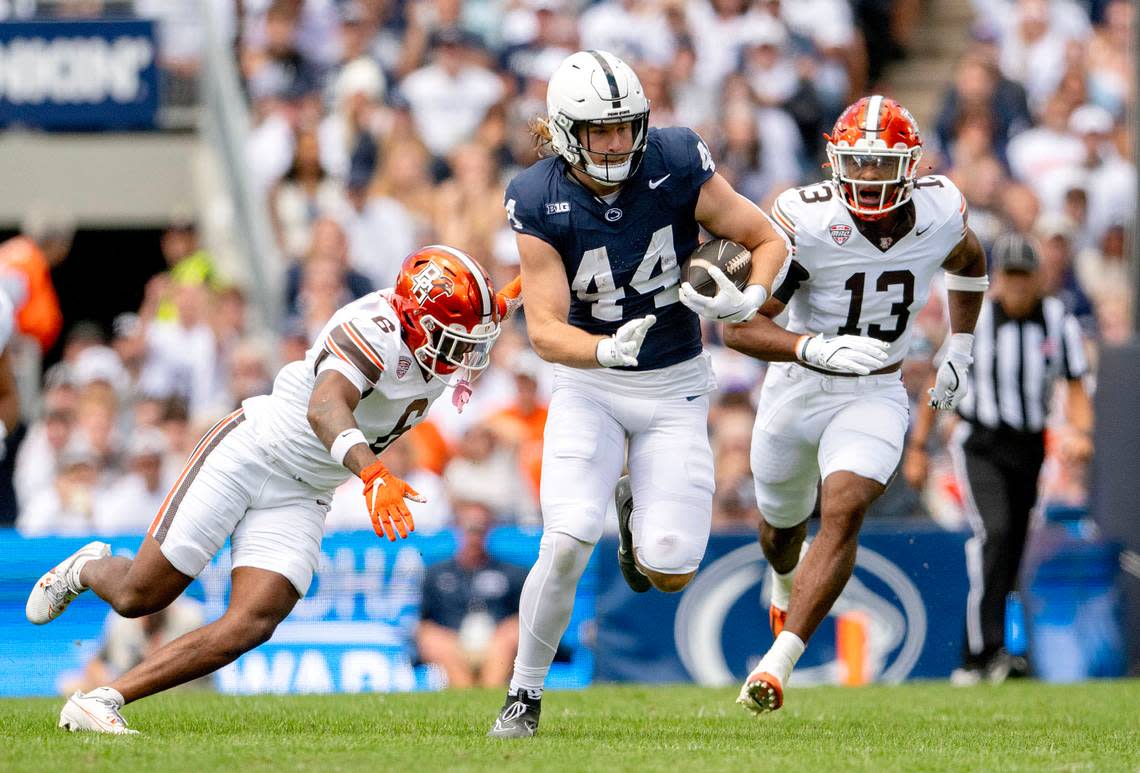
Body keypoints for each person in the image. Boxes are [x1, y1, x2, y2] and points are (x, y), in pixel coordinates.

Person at [25, 246, 510, 734]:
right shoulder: (371, 329)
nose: (465, 354)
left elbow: (503, 301)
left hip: (306, 491)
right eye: (454, 340)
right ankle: (87, 567)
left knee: (252, 621)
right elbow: (325, 408)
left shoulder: (437, 325)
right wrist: (373, 473)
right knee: (138, 596)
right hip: (253, 451)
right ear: (418, 320)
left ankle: (103, 700)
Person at [488, 49, 789, 738]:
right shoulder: (538, 197)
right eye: (601, 130)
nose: (618, 142)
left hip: (675, 382)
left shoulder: (676, 160)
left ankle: (635, 518)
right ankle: (523, 694)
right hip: (589, 382)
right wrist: (601, 349)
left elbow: (764, 237)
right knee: (563, 539)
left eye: (626, 126)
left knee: (673, 566)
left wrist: (749, 294)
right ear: (567, 132)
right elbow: (542, 330)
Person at [720, 96, 989, 715]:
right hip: (797, 386)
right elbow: (741, 327)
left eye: (880, 165)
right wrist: (813, 347)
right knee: (779, 530)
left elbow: (970, 260)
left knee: (842, 507)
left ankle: (777, 664)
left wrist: (962, 344)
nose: (868, 178)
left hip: (877, 389)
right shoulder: (805, 221)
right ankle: (783, 579)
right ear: (836, 161)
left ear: (912, 167)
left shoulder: (940, 211)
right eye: (858, 164)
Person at [905, 233, 1092, 685]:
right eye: (1010, 276)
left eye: (1026, 276)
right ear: (996, 280)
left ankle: (994, 652)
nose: (1018, 286)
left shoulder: (1057, 321)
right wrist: (919, 447)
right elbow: (939, 376)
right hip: (980, 442)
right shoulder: (976, 321)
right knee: (996, 532)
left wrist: (1083, 434)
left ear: (1039, 278)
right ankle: (982, 654)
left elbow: (1074, 384)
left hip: (1030, 445)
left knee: (1013, 545)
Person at [416, 501, 527, 688]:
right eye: (470, 528)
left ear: (489, 530)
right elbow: (424, 622)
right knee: (434, 640)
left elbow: (523, 619)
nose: (475, 535)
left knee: (509, 636)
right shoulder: (436, 574)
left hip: (495, 643)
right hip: (453, 642)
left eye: (480, 528)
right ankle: (464, 698)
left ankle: (491, 697)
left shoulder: (511, 573)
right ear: (457, 527)